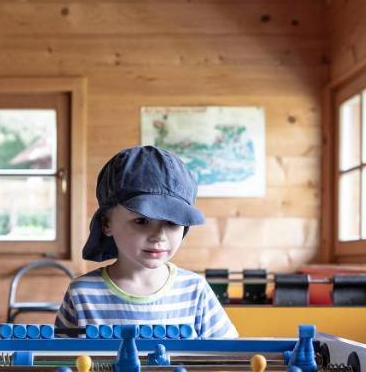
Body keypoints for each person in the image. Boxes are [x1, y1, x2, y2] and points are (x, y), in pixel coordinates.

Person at [55, 145, 237, 339]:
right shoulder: (82, 294)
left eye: (172, 222)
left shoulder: (195, 290)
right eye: (141, 221)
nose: (159, 236)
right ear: (107, 223)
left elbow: (230, 360)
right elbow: (59, 364)